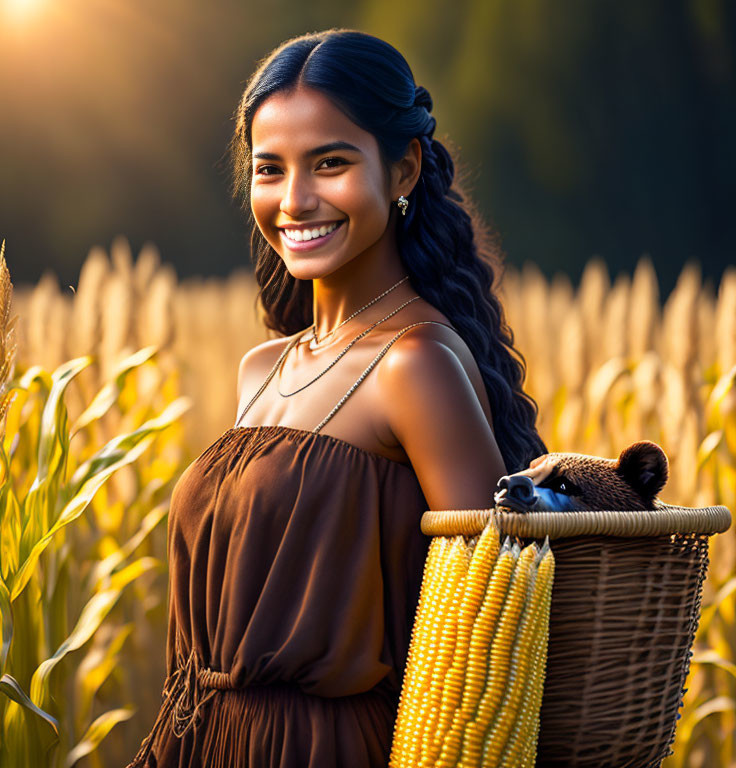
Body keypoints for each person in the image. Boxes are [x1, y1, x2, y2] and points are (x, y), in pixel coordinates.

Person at [126, 27, 547, 768]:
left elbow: (492, 638)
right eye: (269, 168)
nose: (294, 200)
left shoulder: (416, 365)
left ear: (404, 168)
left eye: (329, 163)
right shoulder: (262, 369)